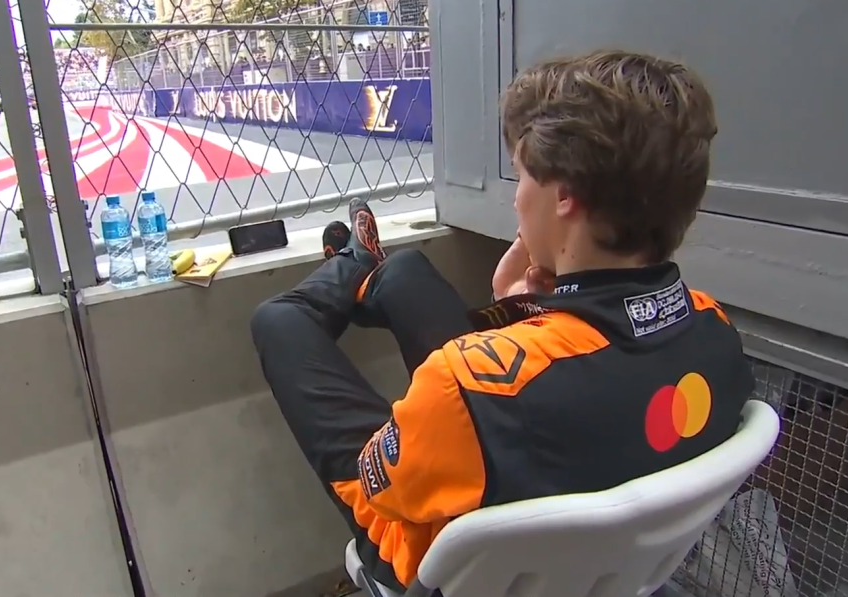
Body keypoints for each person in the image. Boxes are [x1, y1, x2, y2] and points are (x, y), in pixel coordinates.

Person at [249, 50, 754, 593]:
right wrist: (524, 312)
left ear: (565, 195)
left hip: (423, 561)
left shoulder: (458, 383)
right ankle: (369, 268)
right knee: (406, 273)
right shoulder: (716, 332)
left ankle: (348, 267)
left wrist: (515, 331)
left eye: (521, 175)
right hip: (592, 555)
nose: (516, 199)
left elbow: (387, 491)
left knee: (278, 320)